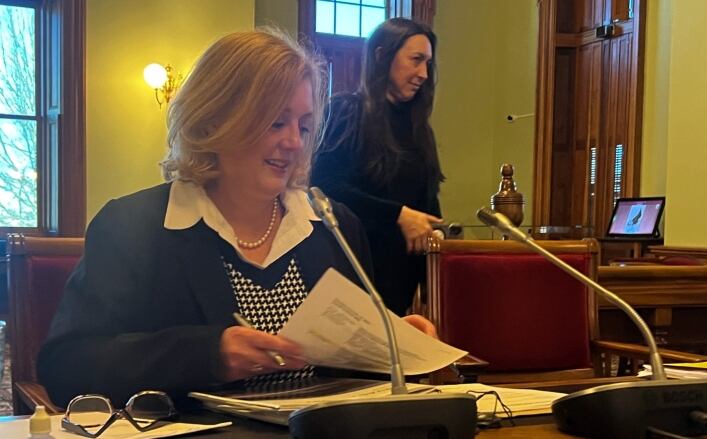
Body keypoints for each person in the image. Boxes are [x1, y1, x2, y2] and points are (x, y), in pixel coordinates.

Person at [37, 28, 435, 408]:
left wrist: (396, 348)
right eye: (275, 122)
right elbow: (66, 365)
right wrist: (207, 355)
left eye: (304, 125)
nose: (294, 142)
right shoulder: (133, 226)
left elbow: (350, 372)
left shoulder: (334, 226)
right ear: (214, 119)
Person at [311, 18, 444, 316]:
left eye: (428, 63)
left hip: (401, 288)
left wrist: (432, 266)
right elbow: (325, 188)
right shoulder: (346, 111)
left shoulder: (419, 128)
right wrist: (397, 215)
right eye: (415, 60)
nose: (423, 74)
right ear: (382, 55)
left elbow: (428, 201)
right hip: (352, 273)